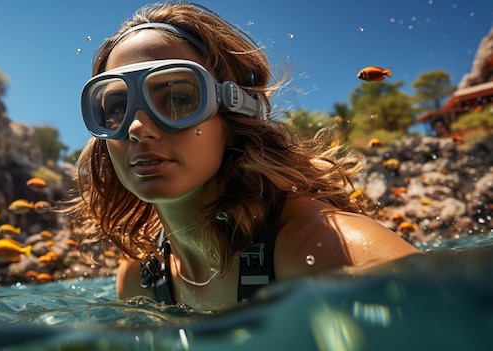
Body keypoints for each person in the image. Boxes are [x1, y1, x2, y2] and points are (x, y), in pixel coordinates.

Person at [68, 2, 419, 311]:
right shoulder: (140, 279)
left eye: (177, 97)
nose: (137, 127)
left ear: (234, 110)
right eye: (116, 106)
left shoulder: (322, 251)